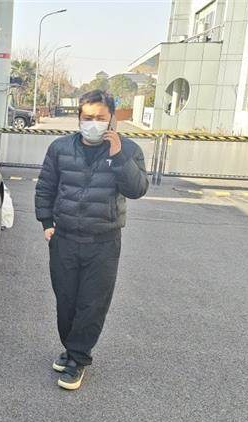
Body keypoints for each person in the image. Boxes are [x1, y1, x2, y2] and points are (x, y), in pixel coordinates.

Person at [34, 90, 149, 390]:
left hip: (103, 242)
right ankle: (72, 348)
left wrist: (118, 156)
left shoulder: (129, 150)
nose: (93, 123)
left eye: (100, 118)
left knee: (92, 303)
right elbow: (46, 186)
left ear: (112, 119)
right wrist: (47, 223)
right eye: (87, 117)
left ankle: (78, 358)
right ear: (79, 118)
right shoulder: (60, 148)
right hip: (64, 238)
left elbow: (137, 189)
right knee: (66, 301)